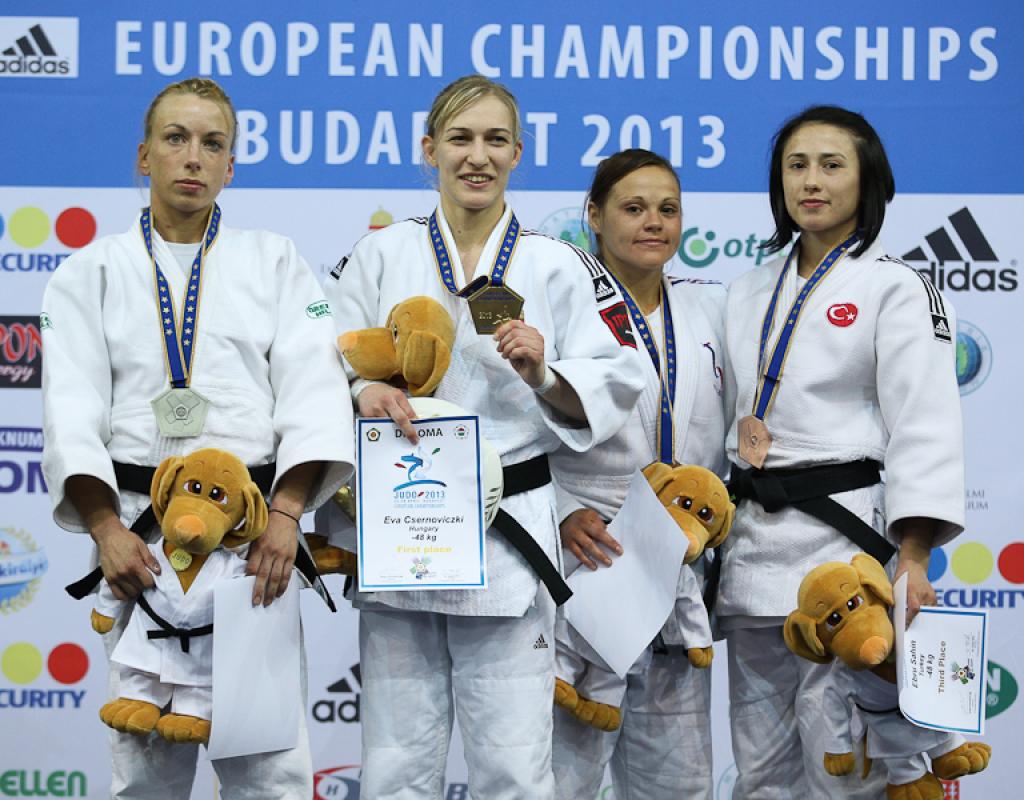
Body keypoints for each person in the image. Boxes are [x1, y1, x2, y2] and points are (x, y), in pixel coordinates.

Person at [320, 75, 645, 799]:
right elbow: (321, 352)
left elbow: (620, 377)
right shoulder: (379, 254)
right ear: (429, 149)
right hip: (403, 521)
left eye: (496, 140)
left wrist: (546, 374)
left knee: (514, 764)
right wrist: (360, 389)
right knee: (396, 762)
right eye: (461, 139)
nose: (478, 156)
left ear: (517, 152)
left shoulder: (557, 263)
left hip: (507, 534)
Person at [40, 77, 354, 799]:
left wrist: (286, 516)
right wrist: (106, 531)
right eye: (175, 138)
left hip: (254, 541)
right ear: (143, 156)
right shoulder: (89, 272)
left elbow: (311, 395)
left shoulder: (274, 260)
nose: (193, 157)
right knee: (144, 766)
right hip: (139, 540)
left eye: (213, 144)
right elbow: (71, 411)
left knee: (268, 769)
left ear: (230, 166)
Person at [716, 105, 964, 799]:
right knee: (761, 768)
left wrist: (913, 554)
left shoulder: (896, 286)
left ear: (867, 180)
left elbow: (924, 423)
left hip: (845, 545)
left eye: (831, 165)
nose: (811, 181)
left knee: (849, 763)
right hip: (754, 549)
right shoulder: (746, 290)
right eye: (796, 166)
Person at [548, 149, 728, 800]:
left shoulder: (711, 311)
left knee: (679, 785)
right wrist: (558, 509)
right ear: (594, 216)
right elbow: (518, 432)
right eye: (633, 207)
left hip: (675, 571)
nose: (653, 221)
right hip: (586, 560)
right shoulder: (560, 307)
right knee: (562, 777)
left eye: (667, 209)